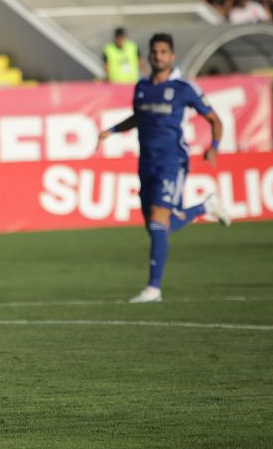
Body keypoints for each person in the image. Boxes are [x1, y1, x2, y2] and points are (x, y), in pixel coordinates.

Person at [96, 34, 230, 304]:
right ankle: (205, 207)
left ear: (172, 56)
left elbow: (215, 119)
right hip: (146, 161)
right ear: (148, 56)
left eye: (164, 52)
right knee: (158, 227)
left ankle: (153, 289)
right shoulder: (142, 87)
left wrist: (214, 146)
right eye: (154, 52)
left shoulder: (184, 88)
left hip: (172, 160)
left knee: (159, 220)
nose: (158, 56)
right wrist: (111, 130)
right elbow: (138, 117)